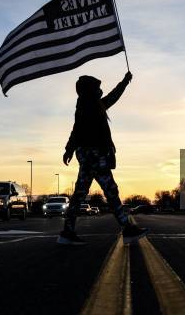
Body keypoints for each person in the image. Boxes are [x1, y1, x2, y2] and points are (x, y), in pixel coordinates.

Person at [58, 71, 148, 245]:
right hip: (93, 156)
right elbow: (76, 130)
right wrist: (68, 149)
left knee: (82, 194)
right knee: (109, 191)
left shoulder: (90, 104)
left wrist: (124, 82)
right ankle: (127, 229)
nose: (100, 90)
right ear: (90, 90)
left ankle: (67, 232)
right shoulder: (88, 105)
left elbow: (111, 98)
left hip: (91, 156)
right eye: (97, 87)